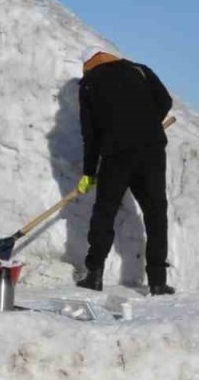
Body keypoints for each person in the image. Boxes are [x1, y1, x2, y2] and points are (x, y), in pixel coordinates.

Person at [75, 47, 175, 295]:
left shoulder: (89, 83)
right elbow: (165, 101)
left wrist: (89, 171)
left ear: (88, 65)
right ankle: (158, 281)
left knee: (105, 211)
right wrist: (148, 122)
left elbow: (90, 134)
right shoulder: (140, 69)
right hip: (151, 148)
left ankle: (94, 274)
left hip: (117, 153)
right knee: (155, 212)